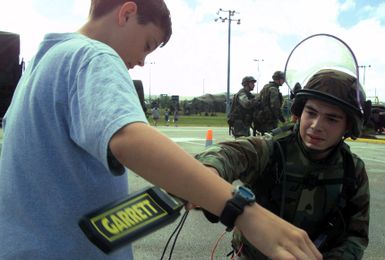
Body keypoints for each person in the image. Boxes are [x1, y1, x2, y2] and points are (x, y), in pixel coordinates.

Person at [0, 1, 321, 259]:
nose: (141, 61)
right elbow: (128, 138)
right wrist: (243, 212)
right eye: (147, 45)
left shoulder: (43, 63)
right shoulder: (93, 56)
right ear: (127, 12)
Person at [195, 69, 370, 259]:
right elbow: (231, 153)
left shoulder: (352, 169)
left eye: (332, 119)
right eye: (311, 113)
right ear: (299, 112)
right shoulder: (273, 149)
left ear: (348, 126)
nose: (316, 125)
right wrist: (210, 169)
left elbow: (356, 236)